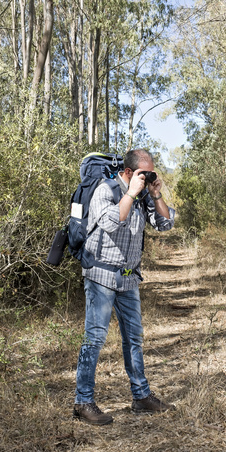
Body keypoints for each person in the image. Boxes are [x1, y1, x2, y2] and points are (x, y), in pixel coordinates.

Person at [73, 148, 175, 425]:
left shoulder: (143, 196)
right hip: (101, 276)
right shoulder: (106, 190)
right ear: (128, 172)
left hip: (129, 278)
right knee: (94, 339)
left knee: (134, 339)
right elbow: (110, 221)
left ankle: (141, 396)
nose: (149, 176)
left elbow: (166, 224)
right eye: (144, 172)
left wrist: (154, 193)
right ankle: (83, 402)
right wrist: (131, 192)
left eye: (152, 172)